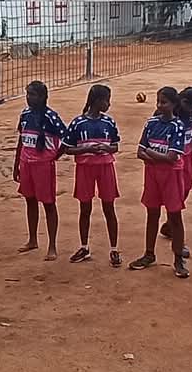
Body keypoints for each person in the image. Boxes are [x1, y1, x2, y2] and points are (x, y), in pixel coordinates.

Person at [130, 86, 188, 278]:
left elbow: (172, 157)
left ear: (174, 104)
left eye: (164, 102)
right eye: (159, 101)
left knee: (174, 217)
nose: (160, 105)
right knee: (152, 213)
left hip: (171, 175)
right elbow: (139, 151)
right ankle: (149, 254)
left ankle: (178, 258)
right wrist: (157, 156)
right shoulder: (151, 123)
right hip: (153, 174)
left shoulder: (178, 126)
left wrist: (151, 154)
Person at [63, 83, 120, 266]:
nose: (109, 104)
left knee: (109, 208)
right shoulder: (78, 123)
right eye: (107, 100)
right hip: (85, 168)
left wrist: (105, 147)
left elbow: (115, 146)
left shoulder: (109, 122)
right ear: (97, 101)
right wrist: (85, 149)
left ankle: (114, 249)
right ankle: (84, 247)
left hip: (105, 166)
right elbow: (68, 149)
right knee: (85, 208)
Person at [13, 80, 66, 261]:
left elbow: (66, 139)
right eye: (27, 94)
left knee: (49, 204)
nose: (29, 98)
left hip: (43, 165)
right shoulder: (25, 114)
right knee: (30, 200)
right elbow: (21, 139)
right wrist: (16, 165)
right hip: (26, 163)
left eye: (33, 95)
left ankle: (52, 246)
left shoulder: (51, 117)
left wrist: (53, 157)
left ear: (43, 97)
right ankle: (32, 239)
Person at [163, 86, 192, 260]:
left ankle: (169, 225)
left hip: (187, 156)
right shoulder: (170, 113)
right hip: (173, 159)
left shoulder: (191, 114)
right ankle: (178, 239)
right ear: (184, 102)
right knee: (176, 196)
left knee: (185, 189)